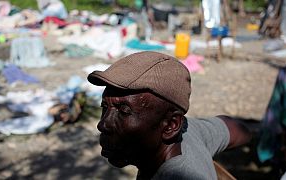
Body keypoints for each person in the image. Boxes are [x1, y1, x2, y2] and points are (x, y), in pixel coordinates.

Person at [87, 51, 251, 180]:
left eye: (124, 111)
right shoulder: (189, 130)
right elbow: (236, 129)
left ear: (171, 125)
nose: (103, 124)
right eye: (105, 106)